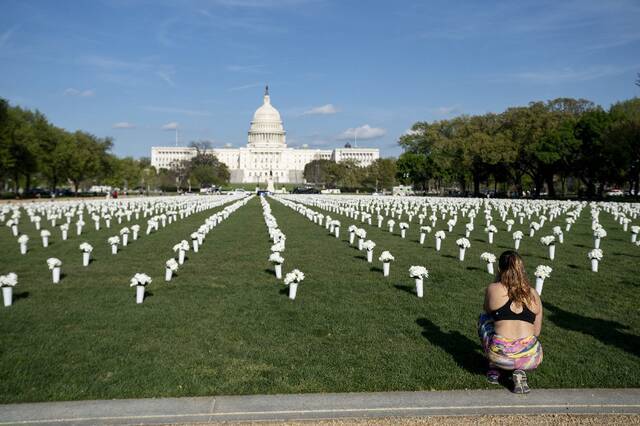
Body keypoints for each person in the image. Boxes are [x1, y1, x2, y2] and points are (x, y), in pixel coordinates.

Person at [478, 250, 543, 394]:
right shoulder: (533, 293)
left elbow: (488, 312)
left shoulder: (493, 289)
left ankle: (494, 368)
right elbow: (536, 332)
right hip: (532, 356)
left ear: (499, 269)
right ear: (521, 269)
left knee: (484, 319)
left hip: (500, 356)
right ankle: (519, 370)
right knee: (528, 337)